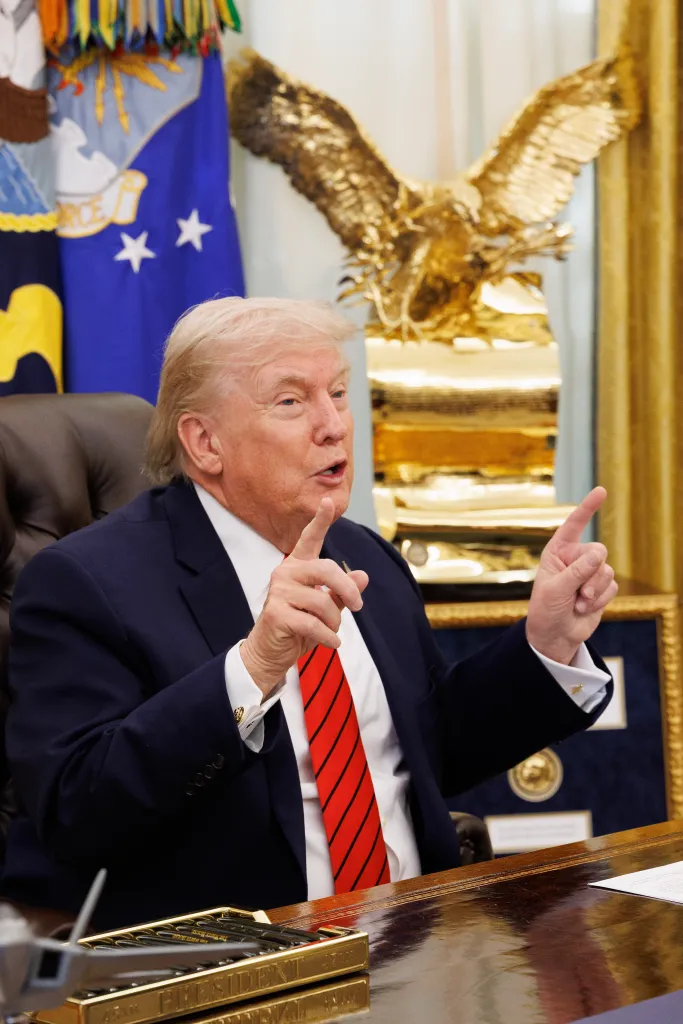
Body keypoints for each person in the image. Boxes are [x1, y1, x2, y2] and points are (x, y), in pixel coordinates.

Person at [1, 298, 615, 928]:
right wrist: (254, 666)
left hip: (417, 942)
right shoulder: (85, 581)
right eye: (291, 402)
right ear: (205, 442)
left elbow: (432, 751)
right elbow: (77, 810)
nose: (334, 425)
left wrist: (546, 644)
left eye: (339, 392)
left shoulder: (362, 551)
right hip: (236, 967)